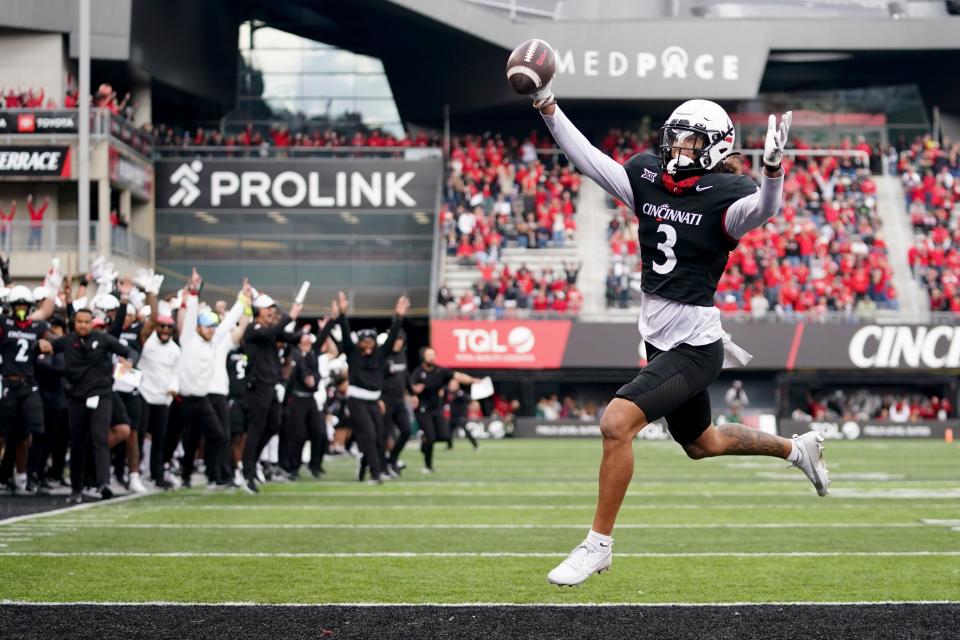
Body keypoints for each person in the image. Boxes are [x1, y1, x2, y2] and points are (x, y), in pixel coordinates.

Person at [527, 79, 830, 587]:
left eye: (690, 141)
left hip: (695, 345)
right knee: (702, 443)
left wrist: (773, 173)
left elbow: (764, 211)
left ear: (713, 148)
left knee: (615, 423)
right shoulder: (647, 177)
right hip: (659, 338)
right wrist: (546, 105)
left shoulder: (727, 197)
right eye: (676, 137)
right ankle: (798, 450)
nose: (677, 148)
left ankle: (597, 545)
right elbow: (589, 160)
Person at [51, 307, 136, 503]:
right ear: (74, 323)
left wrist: (129, 361)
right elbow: (46, 348)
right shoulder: (68, 341)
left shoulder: (103, 339)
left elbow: (129, 351)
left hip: (101, 395)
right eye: (80, 321)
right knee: (77, 443)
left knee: (99, 438)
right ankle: (76, 488)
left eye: (87, 322)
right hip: (77, 397)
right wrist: (39, 346)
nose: (83, 325)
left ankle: (103, 483)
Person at [336, 291, 408, 485]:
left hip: (374, 400)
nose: (367, 345)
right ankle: (376, 474)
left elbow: (393, 337)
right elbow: (344, 333)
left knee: (378, 438)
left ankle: (364, 466)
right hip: (357, 400)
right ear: (358, 342)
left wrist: (399, 317)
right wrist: (342, 315)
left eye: (370, 342)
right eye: (364, 342)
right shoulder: (352, 353)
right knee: (369, 435)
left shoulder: (382, 354)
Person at [241, 291, 302, 493]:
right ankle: (247, 471)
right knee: (256, 428)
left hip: (271, 386)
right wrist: (290, 316)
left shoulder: (269, 330)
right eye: (268, 309)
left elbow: (290, 337)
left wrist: (304, 332)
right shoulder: (254, 329)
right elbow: (270, 332)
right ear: (258, 310)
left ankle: (252, 461)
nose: (271, 312)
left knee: (273, 425)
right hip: (258, 386)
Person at [0, 286, 52, 494]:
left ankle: (27, 476)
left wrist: (47, 345)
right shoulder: (4, 323)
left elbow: (49, 341)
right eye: (17, 305)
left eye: (24, 305)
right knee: (4, 435)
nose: (21, 308)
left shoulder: (37, 326)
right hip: (8, 385)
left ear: (30, 307)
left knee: (35, 431)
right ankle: (8, 475)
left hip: (28, 384)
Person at [410, 347, 480, 473]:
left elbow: (458, 376)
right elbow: (410, 387)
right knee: (431, 438)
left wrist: (474, 380)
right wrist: (414, 391)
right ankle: (428, 466)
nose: (431, 357)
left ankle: (424, 442)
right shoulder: (418, 372)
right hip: (422, 409)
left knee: (445, 436)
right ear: (423, 357)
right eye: (428, 355)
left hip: (436, 409)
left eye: (433, 354)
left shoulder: (440, 370)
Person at [137, 300, 181, 489]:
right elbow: (149, 325)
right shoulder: (148, 342)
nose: (164, 329)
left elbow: (175, 373)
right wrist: (152, 296)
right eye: (162, 326)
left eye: (168, 327)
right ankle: (135, 471)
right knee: (139, 436)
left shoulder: (175, 350)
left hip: (163, 398)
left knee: (160, 438)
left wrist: (173, 389)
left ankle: (157, 474)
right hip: (144, 393)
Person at [382, 329, 413, 475]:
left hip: (400, 400)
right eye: (395, 339)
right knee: (385, 434)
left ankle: (392, 458)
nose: (398, 343)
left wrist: (412, 392)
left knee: (406, 431)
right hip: (385, 400)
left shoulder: (402, 354)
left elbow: (405, 375)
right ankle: (383, 465)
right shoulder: (383, 355)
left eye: (400, 340)